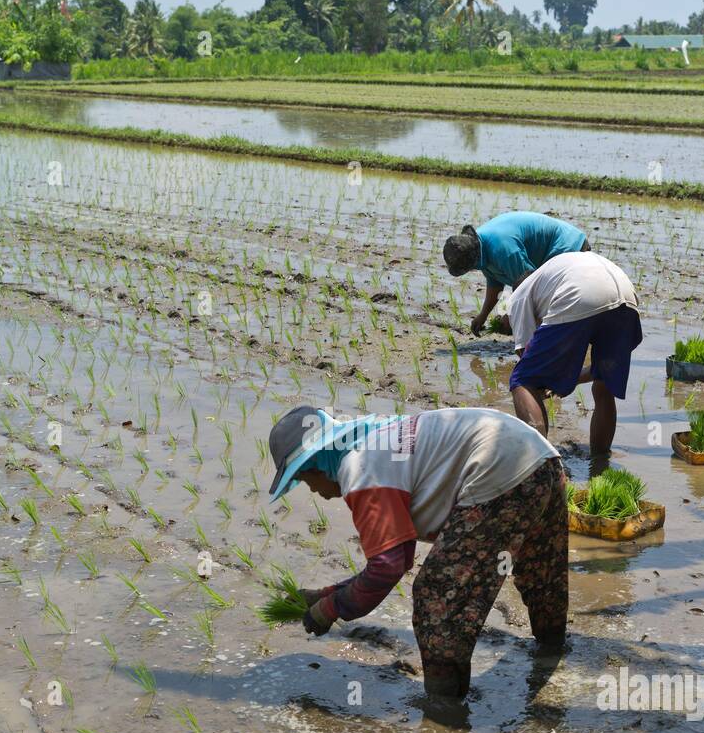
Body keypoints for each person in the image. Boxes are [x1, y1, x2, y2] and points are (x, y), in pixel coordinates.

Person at [267, 404, 568, 699]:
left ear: (316, 464)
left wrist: (329, 610)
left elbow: (387, 567)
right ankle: (552, 651)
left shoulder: (360, 471)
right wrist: (327, 593)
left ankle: (444, 710)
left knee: (436, 594)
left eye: (305, 479)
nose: (313, 490)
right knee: (541, 567)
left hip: (498, 470)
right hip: (540, 458)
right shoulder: (374, 435)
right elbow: (398, 555)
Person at [505, 251, 642, 465]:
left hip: (582, 293)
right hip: (626, 296)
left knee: (523, 380)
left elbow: (526, 358)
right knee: (603, 384)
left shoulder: (519, 296)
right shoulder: (551, 277)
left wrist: (541, 387)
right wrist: (566, 378)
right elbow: (597, 369)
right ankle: (599, 463)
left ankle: (540, 465)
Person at [442, 211, 591, 337]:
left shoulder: (503, 250)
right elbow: (495, 284)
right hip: (550, 254)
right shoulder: (480, 247)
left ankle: (547, 345)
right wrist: (483, 315)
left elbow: (529, 284)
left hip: (568, 247)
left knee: (547, 303)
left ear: (471, 263)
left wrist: (510, 316)